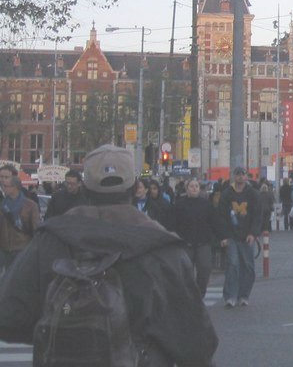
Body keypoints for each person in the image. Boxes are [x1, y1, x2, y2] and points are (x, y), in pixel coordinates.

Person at [0, 144, 217, 365]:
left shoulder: (50, 239)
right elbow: (197, 343)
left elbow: (9, 316)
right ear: (134, 190)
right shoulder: (162, 248)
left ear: (84, 191)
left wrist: (59, 332)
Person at [218, 166, 262, 308]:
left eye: (243, 174)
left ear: (246, 177)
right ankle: (230, 296)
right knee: (233, 265)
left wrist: (253, 233)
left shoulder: (252, 194)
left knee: (248, 267)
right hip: (231, 236)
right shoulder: (227, 194)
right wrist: (224, 236)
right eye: (237, 174)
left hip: (247, 236)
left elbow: (257, 215)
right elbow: (221, 217)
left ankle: (244, 295)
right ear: (233, 177)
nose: (240, 177)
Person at [173, 178, 218, 297]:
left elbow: (213, 222)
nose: (194, 188)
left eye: (196, 186)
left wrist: (217, 237)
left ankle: (200, 294)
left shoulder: (206, 204)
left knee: (205, 270)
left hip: (203, 243)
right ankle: (188, 296)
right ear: (186, 189)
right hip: (185, 243)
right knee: (185, 272)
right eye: (191, 186)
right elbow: (174, 223)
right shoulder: (179, 204)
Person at [0, 164, 40, 274]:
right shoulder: (2, 203)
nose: (3, 186)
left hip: (22, 249)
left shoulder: (30, 205)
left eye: (6, 185)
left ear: (15, 187)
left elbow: (36, 229)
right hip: (4, 250)